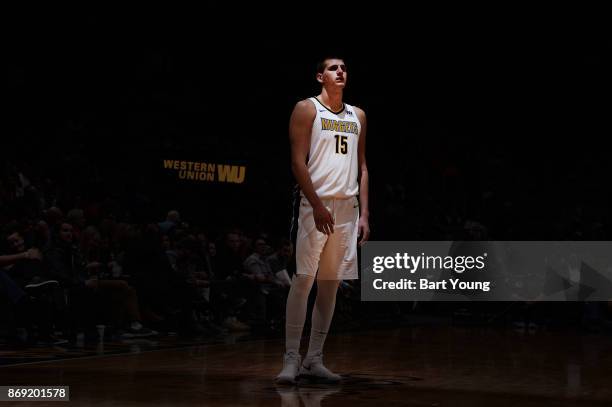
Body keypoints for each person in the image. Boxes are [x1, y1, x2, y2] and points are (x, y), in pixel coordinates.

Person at [275, 57, 370, 384]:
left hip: (347, 209)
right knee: (303, 280)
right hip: (315, 205)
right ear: (320, 76)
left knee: (330, 285)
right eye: (333, 67)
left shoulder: (358, 115)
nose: (340, 71)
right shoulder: (306, 108)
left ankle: (314, 359)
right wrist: (316, 204)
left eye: (344, 67)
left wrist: (365, 214)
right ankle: (290, 358)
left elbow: (363, 168)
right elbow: (297, 162)